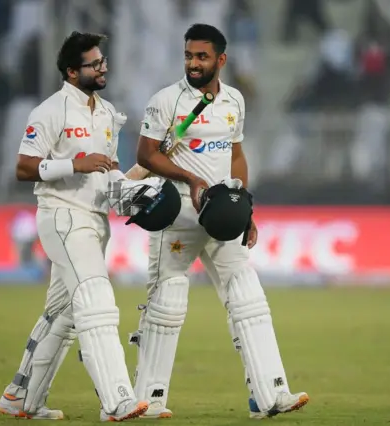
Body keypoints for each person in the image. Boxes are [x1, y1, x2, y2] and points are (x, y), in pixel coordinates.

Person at [128, 23, 309, 419]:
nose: (193, 63)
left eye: (202, 56)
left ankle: (270, 395)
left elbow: (236, 155)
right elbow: (146, 155)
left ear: (220, 60)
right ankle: (148, 400)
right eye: (189, 55)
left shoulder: (234, 102)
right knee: (167, 303)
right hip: (177, 213)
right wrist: (191, 178)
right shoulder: (166, 101)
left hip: (222, 214)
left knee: (248, 296)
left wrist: (243, 205)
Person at [0, 31, 149, 422]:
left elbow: (108, 175)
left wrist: (137, 186)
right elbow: (24, 167)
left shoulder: (108, 112)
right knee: (96, 300)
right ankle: (117, 401)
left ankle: (20, 397)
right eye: (93, 64)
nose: (102, 68)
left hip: (94, 221)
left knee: (62, 314)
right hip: (63, 217)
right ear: (70, 71)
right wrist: (74, 164)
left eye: (103, 61)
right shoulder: (51, 111)